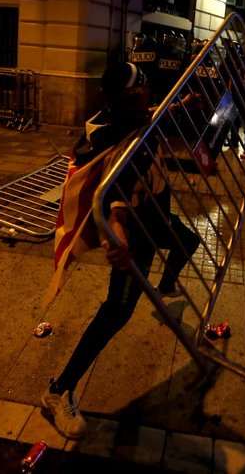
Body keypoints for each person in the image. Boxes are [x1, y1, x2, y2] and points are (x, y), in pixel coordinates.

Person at [42, 61, 200, 439]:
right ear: (119, 101)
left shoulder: (135, 117)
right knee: (116, 313)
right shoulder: (120, 142)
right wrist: (120, 240)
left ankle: (165, 287)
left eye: (146, 95)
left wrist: (183, 104)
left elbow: (154, 115)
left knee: (188, 240)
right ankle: (56, 392)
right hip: (139, 232)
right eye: (136, 98)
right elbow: (113, 201)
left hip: (159, 219)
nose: (144, 103)